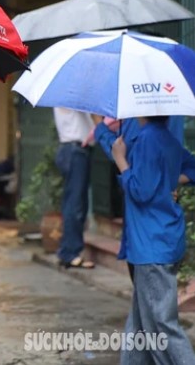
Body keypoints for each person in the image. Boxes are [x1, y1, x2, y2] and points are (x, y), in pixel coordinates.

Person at [110, 116, 195, 364]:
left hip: (152, 243)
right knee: (139, 324)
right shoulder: (166, 138)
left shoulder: (147, 139)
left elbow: (140, 190)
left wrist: (120, 160)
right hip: (161, 239)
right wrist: (169, 180)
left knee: (161, 324)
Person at [53, 107, 96, 268]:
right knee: (75, 203)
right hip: (74, 149)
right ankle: (70, 252)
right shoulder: (71, 94)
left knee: (76, 201)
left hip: (76, 149)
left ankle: (70, 250)